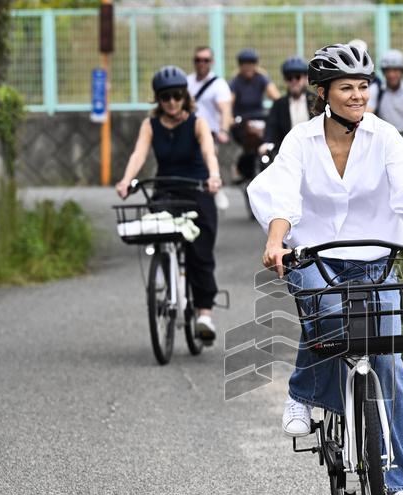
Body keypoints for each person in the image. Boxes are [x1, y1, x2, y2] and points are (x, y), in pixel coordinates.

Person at [248, 43, 403, 495]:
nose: (358, 96)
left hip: (378, 258)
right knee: (330, 316)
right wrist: (277, 242)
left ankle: (400, 484)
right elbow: (283, 196)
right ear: (324, 93)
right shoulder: (301, 140)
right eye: (346, 88)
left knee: (391, 363)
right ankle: (302, 391)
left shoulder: (385, 137)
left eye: (362, 86)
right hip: (314, 255)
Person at [115, 66, 223, 344]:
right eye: (165, 97)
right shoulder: (150, 125)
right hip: (166, 191)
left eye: (176, 95)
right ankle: (165, 274)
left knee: (200, 253)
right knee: (157, 232)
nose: (172, 102)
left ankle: (204, 315)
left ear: (184, 96)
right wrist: (127, 180)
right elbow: (139, 154)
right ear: (158, 100)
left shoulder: (197, 122)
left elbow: (209, 152)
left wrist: (213, 176)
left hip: (197, 190)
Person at [187, 46, 232, 209]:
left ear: (211, 62)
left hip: (210, 132)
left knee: (209, 158)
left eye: (205, 60)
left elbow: (225, 109)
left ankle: (216, 187)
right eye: (198, 60)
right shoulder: (187, 82)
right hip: (190, 130)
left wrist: (223, 130)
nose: (201, 64)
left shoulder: (218, 85)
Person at [229, 48, 281, 183]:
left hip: (259, 118)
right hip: (242, 121)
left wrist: (281, 109)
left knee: (268, 137)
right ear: (240, 66)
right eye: (244, 64)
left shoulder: (261, 78)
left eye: (251, 63)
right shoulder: (236, 81)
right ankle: (241, 168)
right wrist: (229, 118)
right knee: (247, 138)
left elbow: (276, 97)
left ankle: (269, 165)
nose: (248, 67)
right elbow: (229, 102)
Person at [262, 57, 316, 156]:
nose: (294, 81)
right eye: (289, 78)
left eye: (298, 77)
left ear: (305, 79)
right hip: (286, 153)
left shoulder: (316, 101)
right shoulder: (279, 104)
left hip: (313, 150)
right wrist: (266, 143)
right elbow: (271, 127)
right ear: (285, 81)